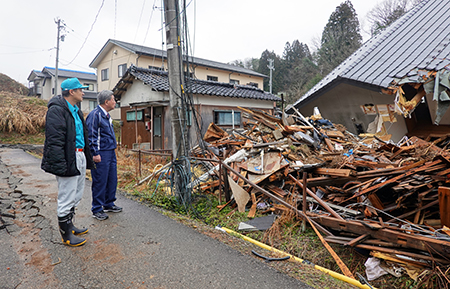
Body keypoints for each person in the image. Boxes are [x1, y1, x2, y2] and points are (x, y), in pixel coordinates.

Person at [41, 78, 95, 247]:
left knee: (77, 194)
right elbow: (55, 140)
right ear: (71, 92)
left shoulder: (76, 110)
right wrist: (61, 167)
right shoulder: (57, 110)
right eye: (80, 89)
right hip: (67, 156)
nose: (83, 92)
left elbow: (82, 136)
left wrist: (88, 157)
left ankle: (70, 225)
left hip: (79, 155)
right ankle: (66, 235)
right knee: (66, 195)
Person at [86, 90, 122, 221]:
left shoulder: (106, 115)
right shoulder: (95, 115)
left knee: (112, 179)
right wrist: (94, 153)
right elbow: (91, 135)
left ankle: (108, 203)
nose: (115, 102)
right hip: (101, 152)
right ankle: (97, 208)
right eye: (113, 99)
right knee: (100, 180)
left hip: (110, 151)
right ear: (106, 102)